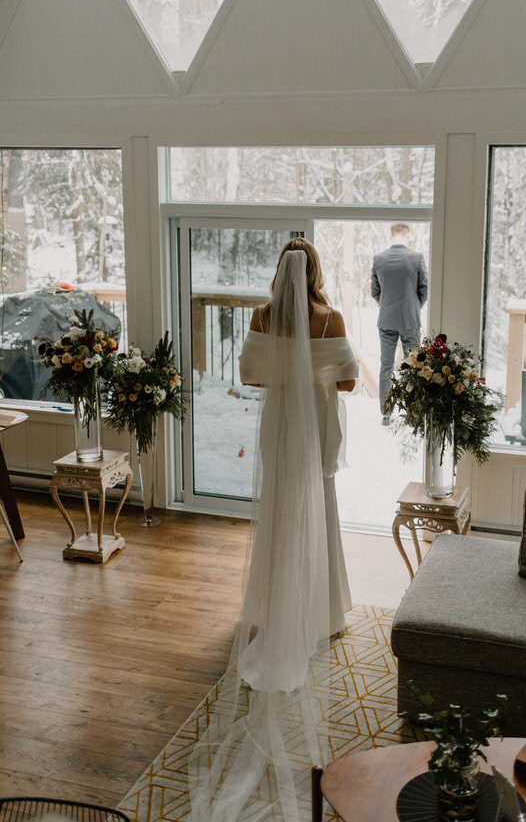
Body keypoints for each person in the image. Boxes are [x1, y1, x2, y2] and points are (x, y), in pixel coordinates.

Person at [188, 238, 358, 822]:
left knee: (283, 506)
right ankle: (323, 610)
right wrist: (317, 368)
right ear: (313, 269)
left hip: (280, 424)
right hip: (314, 423)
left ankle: (272, 604)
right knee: (319, 506)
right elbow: (349, 383)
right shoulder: (329, 316)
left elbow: (252, 377)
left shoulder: (262, 315)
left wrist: (289, 369)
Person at [371, 222, 428, 424]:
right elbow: (424, 291)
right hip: (410, 319)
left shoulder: (379, 259)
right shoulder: (416, 258)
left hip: (386, 318)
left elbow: (375, 292)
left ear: (391, 236)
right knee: (415, 366)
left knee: (386, 366)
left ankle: (386, 413)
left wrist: (387, 305)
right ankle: (414, 411)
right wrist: (412, 308)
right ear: (407, 236)